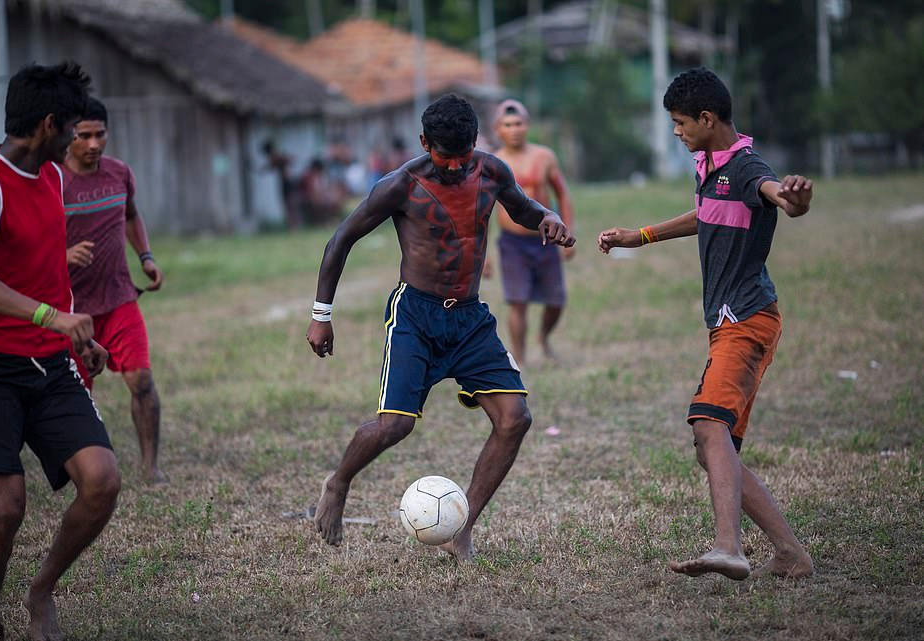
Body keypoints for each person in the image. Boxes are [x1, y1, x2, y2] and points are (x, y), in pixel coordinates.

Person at [306, 94, 574, 562]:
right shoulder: (399, 185)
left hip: (469, 319)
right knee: (395, 426)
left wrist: (547, 217)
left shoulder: (491, 171)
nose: (454, 166)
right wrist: (321, 315)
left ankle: (461, 528)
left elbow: (523, 209)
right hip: (416, 316)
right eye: (444, 156)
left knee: (515, 419)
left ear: (475, 143)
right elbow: (340, 240)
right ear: (424, 142)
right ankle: (339, 481)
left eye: (462, 155)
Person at [597, 68, 814, 580]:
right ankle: (790, 554)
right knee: (711, 448)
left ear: (707, 118)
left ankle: (728, 548)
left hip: (746, 320)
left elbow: (779, 197)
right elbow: (706, 214)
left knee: (709, 424)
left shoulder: (747, 167)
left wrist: (796, 200)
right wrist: (640, 236)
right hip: (727, 322)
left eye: (680, 123)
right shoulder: (710, 164)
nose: (676, 132)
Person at [0, 62, 121, 640]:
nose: (80, 140)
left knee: (102, 481)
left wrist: (78, 332)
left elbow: (45, 268)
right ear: (49, 124)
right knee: (6, 506)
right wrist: (51, 317)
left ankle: (42, 589)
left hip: (51, 362)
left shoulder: (52, 177)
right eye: (74, 128)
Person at [63, 97, 166, 484]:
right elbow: (28, 243)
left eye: (100, 134)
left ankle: (150, 467)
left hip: (119, 298)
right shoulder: (52, 180)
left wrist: (146, 257)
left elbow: (132, 216)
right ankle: (82, 473)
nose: (93, 144)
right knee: (76, 394)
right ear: (68, 135)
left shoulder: (119, 173)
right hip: (71, 310)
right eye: (83, 135)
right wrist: (62, 255)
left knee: (142, 381)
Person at [491, 99, 575, 367]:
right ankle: (521, 359)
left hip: (546, 240)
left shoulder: (544, 156)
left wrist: (568, 232)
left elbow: (562, 194)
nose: (514, 129)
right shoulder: (493, 163)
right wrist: (482, 256)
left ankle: (544, 337)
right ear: (497, 129)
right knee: (518, 302)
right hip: (512, 243)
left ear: (527, 125)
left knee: (556, 301)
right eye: (508, 125)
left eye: (518, 124)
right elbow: (480, 210)